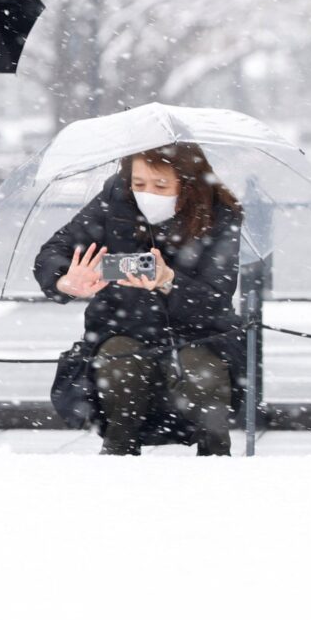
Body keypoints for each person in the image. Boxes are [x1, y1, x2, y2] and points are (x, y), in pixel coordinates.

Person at [34, 142, 244, 455]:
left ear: (188, 183)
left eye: (161, 185)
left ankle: (214, 456)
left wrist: (170, 281)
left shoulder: (219, 214)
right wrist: (66, 280)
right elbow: (54, 251)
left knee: (203, 375)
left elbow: (217, 295)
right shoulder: (115, 200)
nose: (148, 194)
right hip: (123, 326)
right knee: (120, 363)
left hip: (200, 333)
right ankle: (119, 449)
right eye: (139, 183)